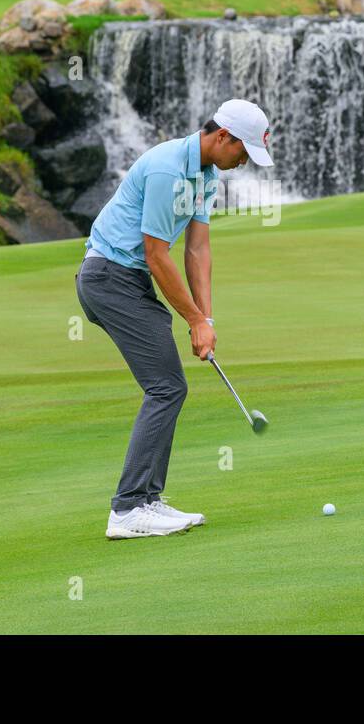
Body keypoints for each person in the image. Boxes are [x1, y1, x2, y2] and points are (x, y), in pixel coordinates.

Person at [76, 99, 273, 539]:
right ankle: (128, 509)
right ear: (222, 136)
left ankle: (146, 500)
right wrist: (193, 320)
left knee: (167, 386)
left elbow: (197, 249)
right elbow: (155, 253)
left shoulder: (204, 176)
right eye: (242, 152)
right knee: (167, 386)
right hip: (109, 277)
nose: (243, 162)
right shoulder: (168, 168)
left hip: (129, 281)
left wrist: (205, 318)